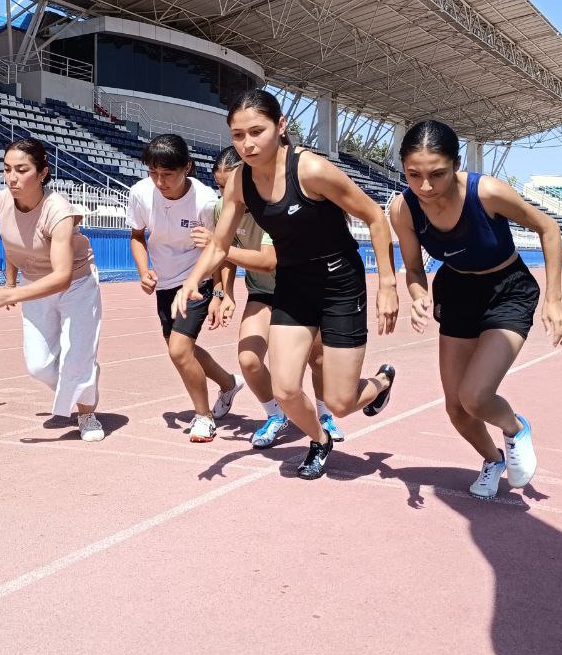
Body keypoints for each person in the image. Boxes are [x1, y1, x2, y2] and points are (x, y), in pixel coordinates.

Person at [176, 90, 398, 479]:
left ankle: (380, 382)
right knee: (285, 389)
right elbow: (220, 244)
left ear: (280, 126)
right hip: (294, 285)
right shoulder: (239, 181)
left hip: (339, 283)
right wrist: (192, 281)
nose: (247, 144)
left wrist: (387, 285)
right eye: (238, 135)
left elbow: (375, 217)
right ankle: (320, 441)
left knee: (341, 401)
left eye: (256, 132)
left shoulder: (309, 169)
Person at [388, 120, 562, 498]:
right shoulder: (403, 209)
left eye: (437, 174)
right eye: (413, 174)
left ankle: (515, 428)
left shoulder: (486, 193)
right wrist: (418, 294)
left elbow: (548, 228)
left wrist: (554, 299)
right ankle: (492, 460)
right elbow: (415, 270)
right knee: (457, 409)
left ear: (456, 165)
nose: (425, 186)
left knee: (475, 396)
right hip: (456, 292)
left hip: (507, 289)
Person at [209, 147, 395, 448]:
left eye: (228, 184)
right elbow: (223, 253)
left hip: (306, 285)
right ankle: (279, 416)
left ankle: (327, 413)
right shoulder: (225, 206)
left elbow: (265, 259)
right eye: (219, 186)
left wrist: (388, 284)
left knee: (321, 365)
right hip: (265, 292)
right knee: (250, 360)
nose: (225, 192)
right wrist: (223, 292)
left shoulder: (272, 202)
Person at [0, 139, 105, 442]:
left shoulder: (58, 210)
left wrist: (10, 295)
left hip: (77, 284)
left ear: (43, 173)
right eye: (7, 169)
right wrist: (10, 283)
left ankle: (86, 413)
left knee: (77, 356)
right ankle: (84, 377)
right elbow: (13, 244)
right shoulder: (1, 201)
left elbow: (62, 277)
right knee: (39, 366)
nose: (12, 178)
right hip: (33, 284)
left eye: (22, 170)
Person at [129, 134, 242, 443]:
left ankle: (203, 417)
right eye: (153, 172)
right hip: (165, 285)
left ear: (187, 168)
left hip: (197, 282)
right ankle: (229, 383)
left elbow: (219, 250)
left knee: (178, 350)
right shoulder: (140, 193)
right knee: (182, 349)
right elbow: (137, 235)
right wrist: (143, 271)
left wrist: (219, 293)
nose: (159, 181)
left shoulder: (205, 201)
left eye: (167, 174)